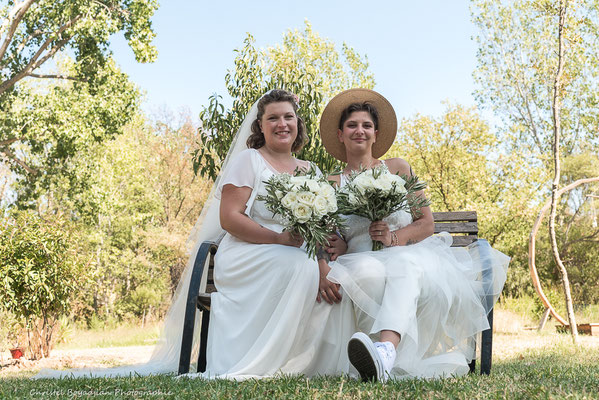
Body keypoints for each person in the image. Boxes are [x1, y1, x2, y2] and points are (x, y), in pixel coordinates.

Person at [34, 89, 352, 379]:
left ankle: (305, 362)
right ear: (260, 126)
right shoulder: (250, 161)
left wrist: (324, 264)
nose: (282, 124)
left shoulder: (310, 170)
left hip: (297, 251)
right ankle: (266, 363)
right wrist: (279, 239)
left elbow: (321, 227)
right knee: (297, 266)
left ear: (298, 123)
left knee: (335, 276)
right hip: (248, 251)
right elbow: (229, 219)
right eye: (273, 118)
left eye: (288, 117)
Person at [318, 88, 510, 382]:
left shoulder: (398, 167)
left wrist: (393, 238)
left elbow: (426, 223)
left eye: (367, 125)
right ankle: (376, 358)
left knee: (404, 266)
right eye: (352, 125)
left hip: (408, 254)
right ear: (341, 134)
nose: (360, 131)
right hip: (358, 260)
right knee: (368, 271)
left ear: (376, 134)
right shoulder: (330, 182)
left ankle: (384, 353)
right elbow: (329, 234)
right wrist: (340, 243)